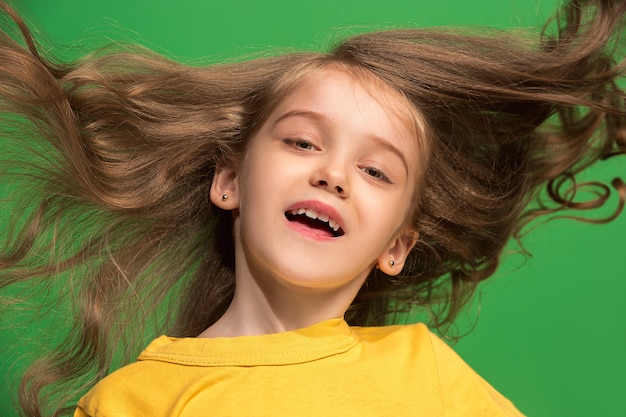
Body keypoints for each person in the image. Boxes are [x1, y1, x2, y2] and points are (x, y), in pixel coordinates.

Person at [0, 0, 624, 416]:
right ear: (229, 179)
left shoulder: (427, 377)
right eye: (302, 141)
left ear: (395, 247)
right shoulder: (133, 401)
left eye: (376, 171)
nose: (332, 174)